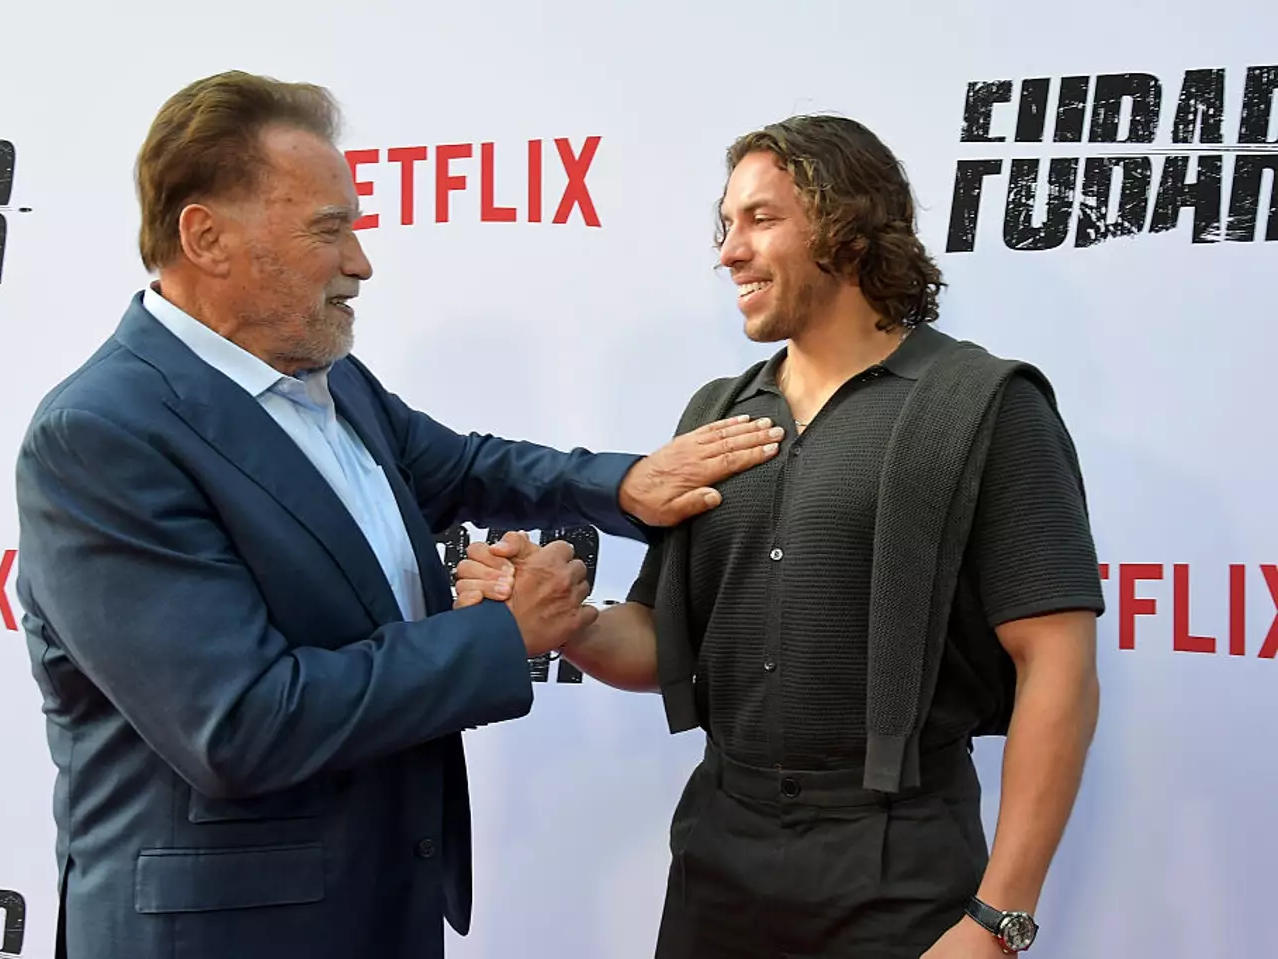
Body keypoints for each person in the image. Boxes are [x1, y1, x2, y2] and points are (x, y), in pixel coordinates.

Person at [12, 70, 783, 959]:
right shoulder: (101, 435)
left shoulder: (322, 376)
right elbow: (241, 724)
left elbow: (465, 466)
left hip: (380, 903)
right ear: (207, 237)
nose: (360, 262)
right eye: (328, 229)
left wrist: (628, 484)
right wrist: (503, 636)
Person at [455, 115, 1104, 958]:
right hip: (718, 855)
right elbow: (662, 643)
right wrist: (563, 619)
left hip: (901, 865)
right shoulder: (717, 415)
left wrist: (999, 918)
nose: (729, 251)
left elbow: (1057, 662)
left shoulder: (985, 404)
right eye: (726, 224)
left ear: (850, 228)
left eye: (761, 219)